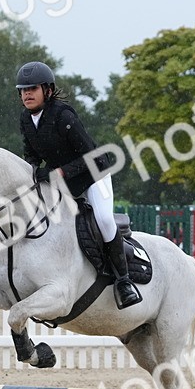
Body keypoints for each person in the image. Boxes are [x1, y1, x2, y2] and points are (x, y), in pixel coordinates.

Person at [15, 60, 141, 309]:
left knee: (104, 220)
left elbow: (91, 155)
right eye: (23, 90)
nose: (27, 94)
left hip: (95, 174)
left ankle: (124, 281)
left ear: (47, 90)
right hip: (63, 181)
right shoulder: (26, 120)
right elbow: (31, 154)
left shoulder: (64, 115)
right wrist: (28, 171)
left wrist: (58, 172)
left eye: (33, 88)